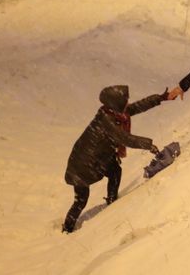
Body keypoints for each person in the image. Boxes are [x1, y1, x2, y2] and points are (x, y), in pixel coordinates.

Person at [62, 85, 174, 233]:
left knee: (115, 171)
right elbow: (125, 138)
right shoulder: (106, 120)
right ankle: (67, 229)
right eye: (125, 100)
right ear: (116, 103)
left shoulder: (116, 114)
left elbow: (138, 106)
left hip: (96, 159)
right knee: (81, 200)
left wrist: (160, 98)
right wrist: (149, 145)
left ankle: (112, 202)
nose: (128, 103)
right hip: (83, 164)